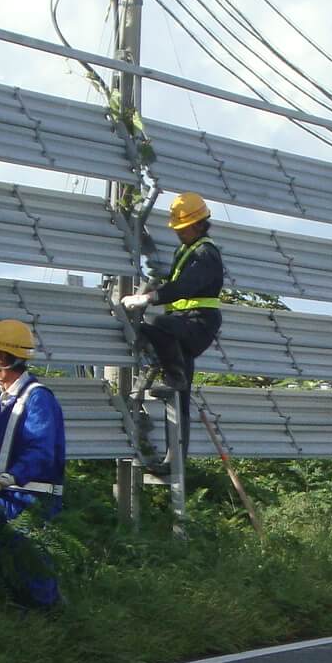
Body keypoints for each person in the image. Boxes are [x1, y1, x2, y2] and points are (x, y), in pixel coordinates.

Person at [120, 192, 225, 469]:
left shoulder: (205, 254)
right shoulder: (186, 250)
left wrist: (149, 299)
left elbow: (185, 287)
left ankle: (174, 373)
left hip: (199, 323)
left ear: (197, 224)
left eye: (182, 228)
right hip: (185, 321)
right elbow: (173, 284)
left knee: (159, 325)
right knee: (181, 401)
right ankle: (174, 461)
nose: (178, 233)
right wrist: (153, 289)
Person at [0, 320, 66, 609]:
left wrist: (9, 477)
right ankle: (23, 629)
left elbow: (41, 451)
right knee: (7, 566)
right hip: (8, 495)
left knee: (32, 566)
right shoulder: (3, 395)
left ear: (4, 358)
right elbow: (14, 447)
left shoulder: (37, 398)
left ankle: (51, 627)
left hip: (32, 498)